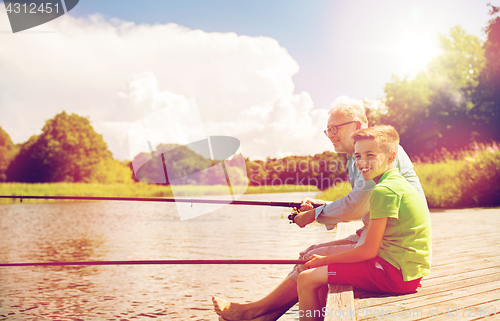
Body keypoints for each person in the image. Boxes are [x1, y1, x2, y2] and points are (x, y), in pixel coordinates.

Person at [212, 104, 428, 321]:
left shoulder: (381, 157)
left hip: (391, 252)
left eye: (336, 128)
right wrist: (320, 205)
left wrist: (315, 215)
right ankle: (263, 316)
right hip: (384, 241)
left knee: (311, 262)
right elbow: (364, 202)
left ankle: (254, 311)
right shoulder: (366, 160)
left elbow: (358, 205)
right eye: (328, 130)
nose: (330, 135)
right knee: (311, 256)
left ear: (357, 126)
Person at [297, 125, 431, 320]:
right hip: (408, 271)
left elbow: (368, 251)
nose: (362, 163)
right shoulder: (397, 183)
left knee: (306, 279)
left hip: (394, 275)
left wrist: (324, 260)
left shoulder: (383, 191)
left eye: (370, 155)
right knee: (318, 278)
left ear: (391, 157)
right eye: (358, 156)